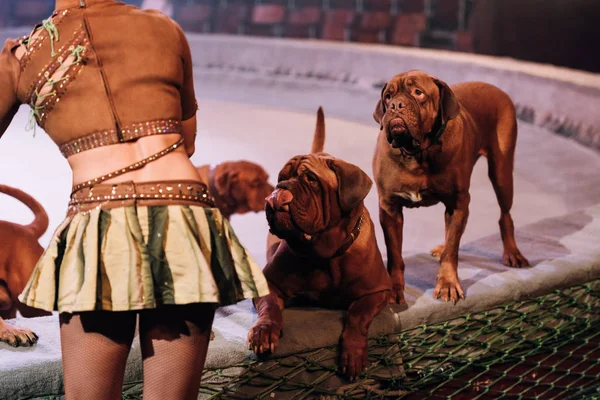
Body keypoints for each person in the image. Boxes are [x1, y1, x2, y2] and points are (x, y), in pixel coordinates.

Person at [0, 0, 270, 399]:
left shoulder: (23, 55)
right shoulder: (164, 27)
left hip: (100, 220)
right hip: (183, 215)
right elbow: (188, 142)